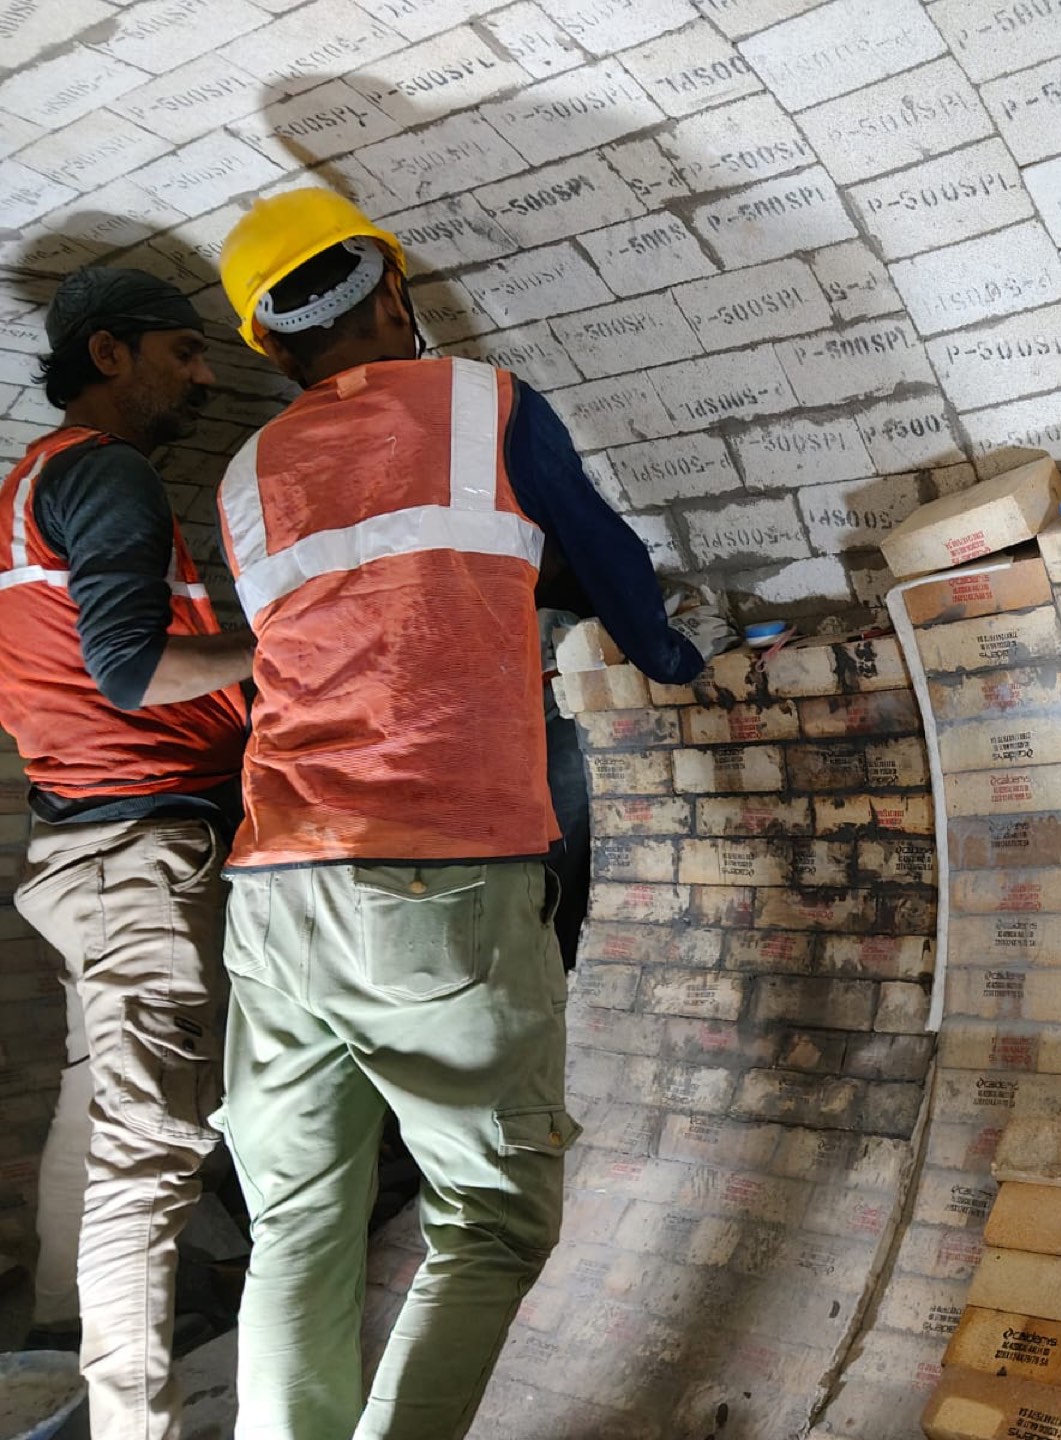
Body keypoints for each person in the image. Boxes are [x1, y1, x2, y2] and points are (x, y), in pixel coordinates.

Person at [211, 188, 726, 1440]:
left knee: (297, 1227)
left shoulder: (244, 474)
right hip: (430, 879)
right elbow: (598, 555)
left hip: (275, 886)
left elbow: (376, 600)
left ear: (269, 346)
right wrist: (672, 659)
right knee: (492, 1217)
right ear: (395, 291)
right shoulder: (483, 402)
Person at [0, 266, 253, 1440]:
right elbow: (132, 672)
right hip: (140, 851)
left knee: (101, 1103)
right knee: (149, 1154)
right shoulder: (106, 471)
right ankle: (129, 1423)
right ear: (110, 353)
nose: (203, 373)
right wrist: (288, 646)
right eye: (183, 351)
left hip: (84, 848)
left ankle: (57, 1338)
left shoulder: (29, 484)